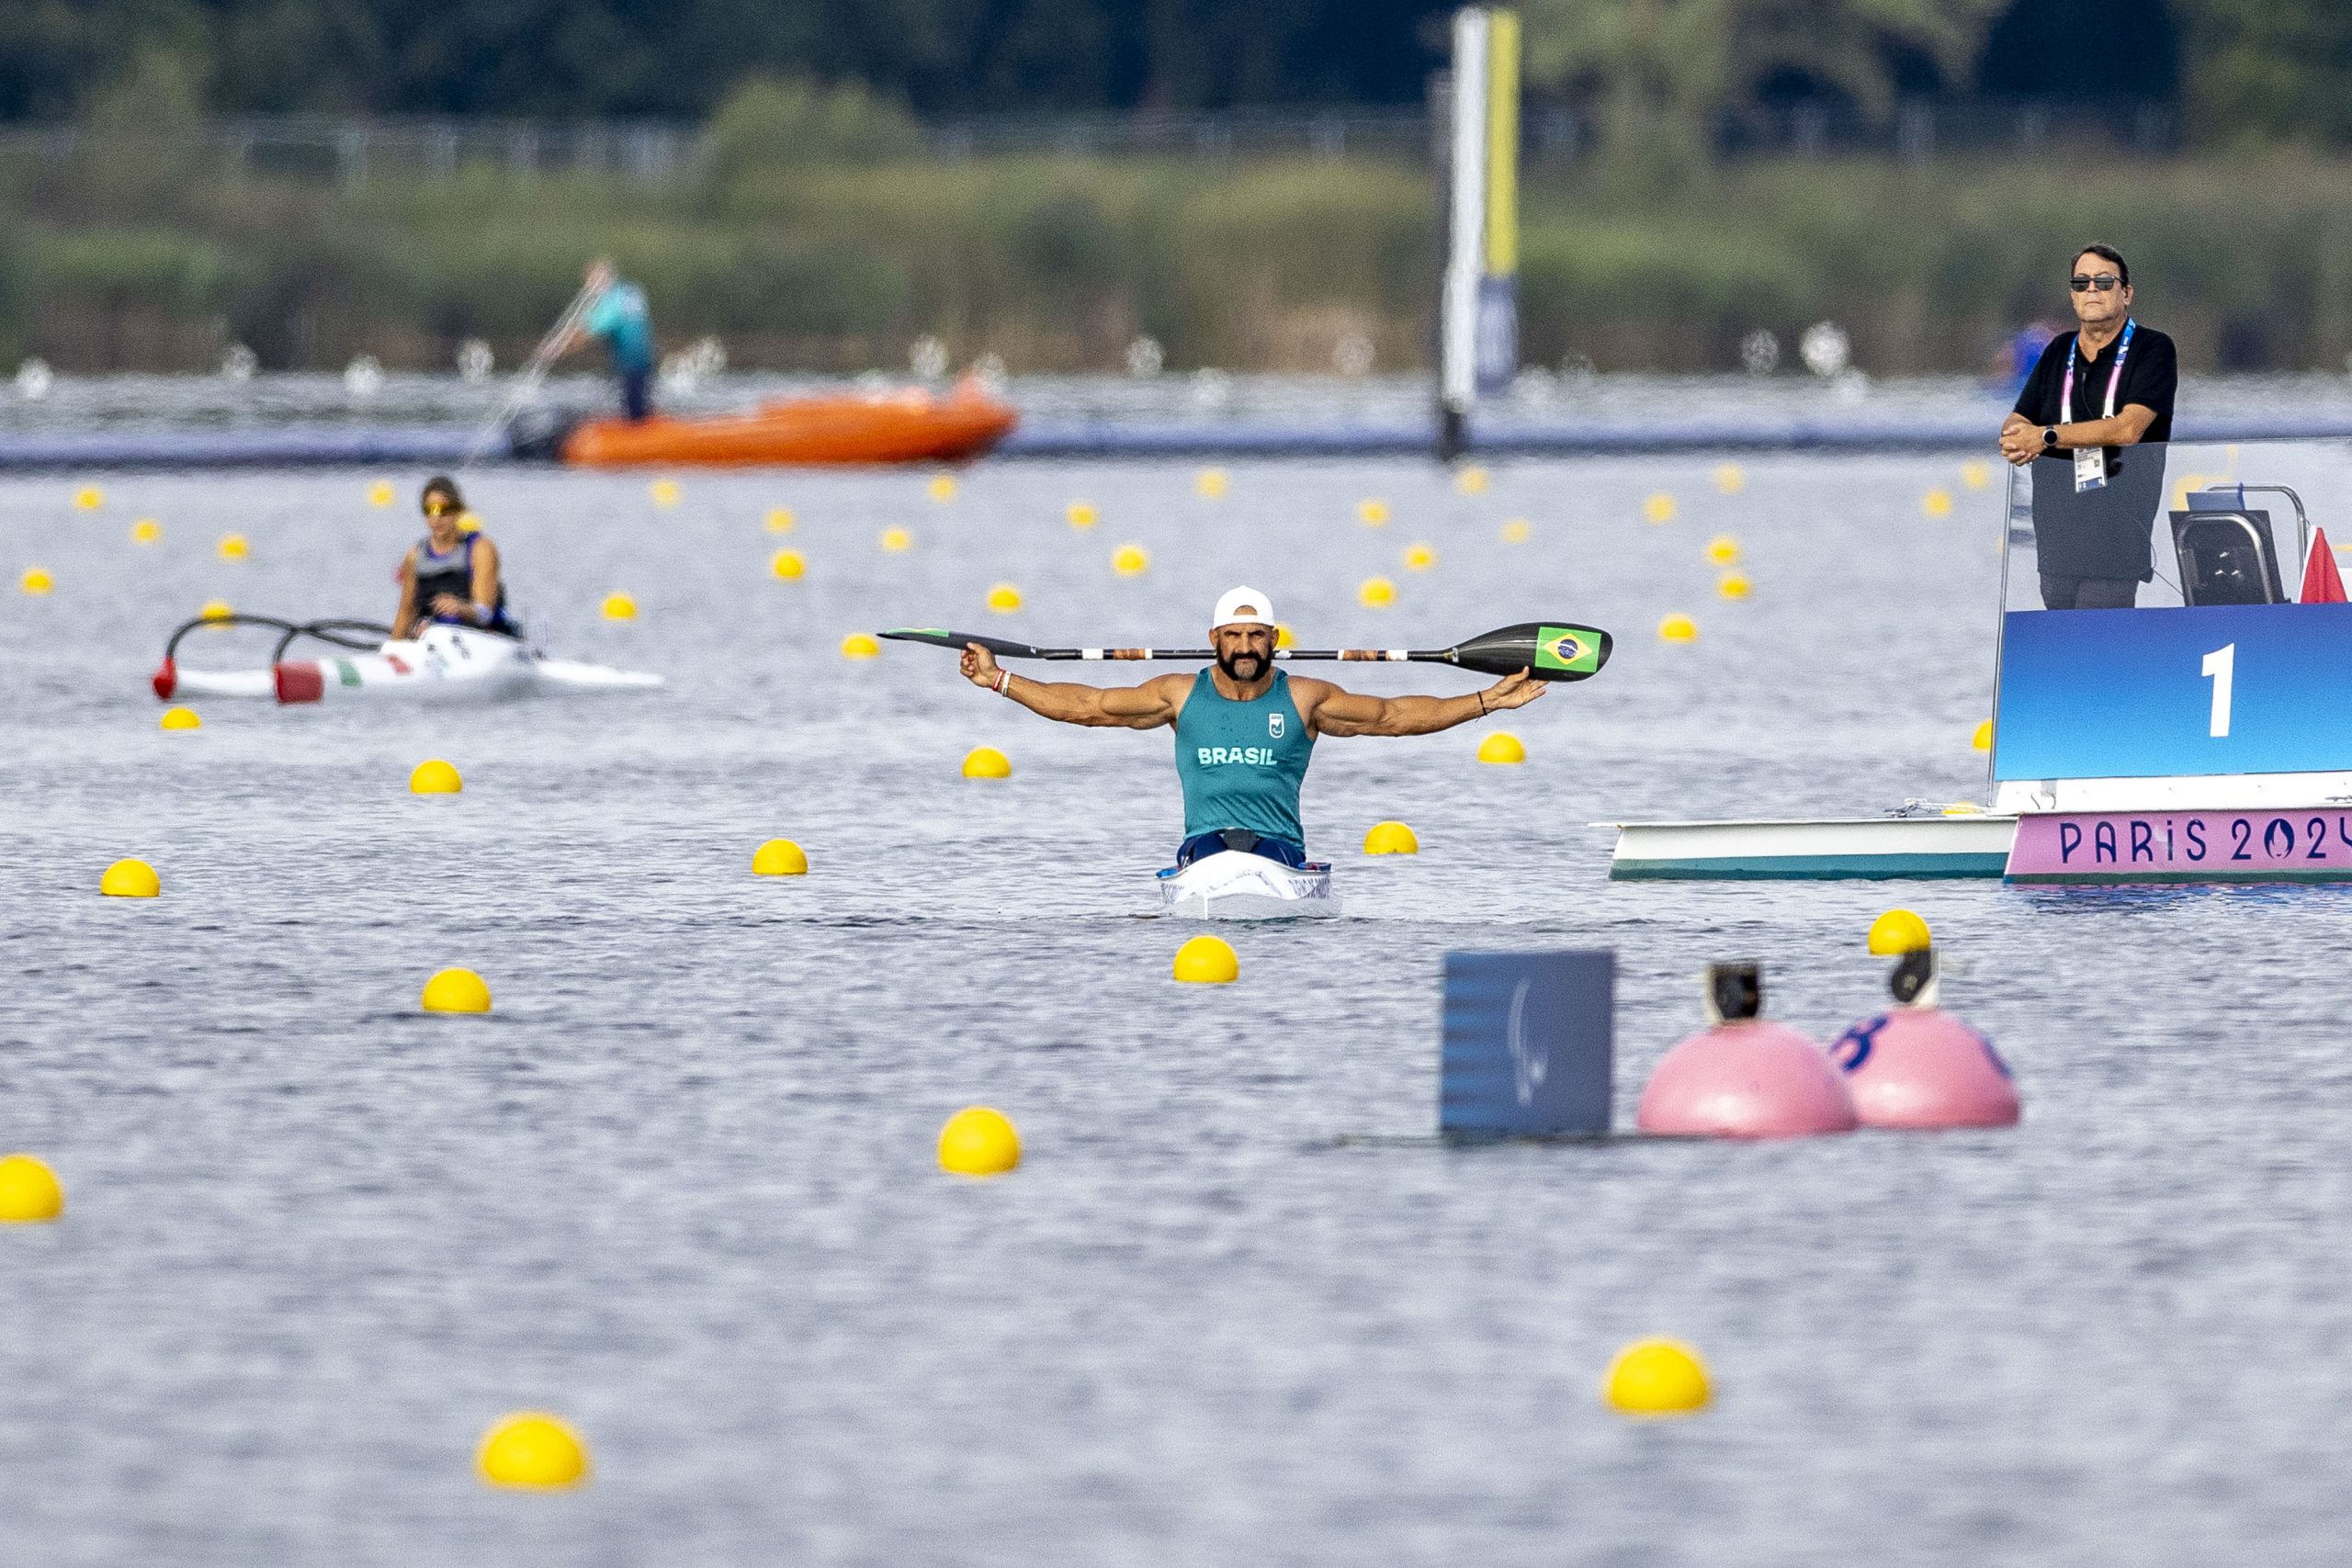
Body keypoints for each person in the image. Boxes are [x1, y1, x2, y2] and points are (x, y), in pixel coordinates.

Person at [954, 586, 1544, 867]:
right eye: (1232, 636)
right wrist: (1001, 680)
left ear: (1274, 641)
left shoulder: (1307, 699)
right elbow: (1086, 704)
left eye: (1255, 635)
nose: (1244, 647)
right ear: (1214, 641)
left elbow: (1392, 718)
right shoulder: (1178, 695)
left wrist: (1486, 700)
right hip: (1202, 852)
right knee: (1209, 850)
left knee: (1265, 853)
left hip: (1282, 854)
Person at [1998, 244, 2179, 609]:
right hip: (2057, 538)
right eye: (2081, 283)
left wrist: (2045, 436)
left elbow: (2128, 429)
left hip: (2115, 538)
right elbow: (2019, 419)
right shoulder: (2057, 350)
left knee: (2098, 650)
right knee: (2066, 657)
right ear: (2072, 295)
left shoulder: (2153, 349)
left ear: (2126, 293)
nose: (2091, 290)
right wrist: (2015, 438)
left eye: (2103, 281)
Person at [391, 476, 517, 639]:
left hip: (481, 639)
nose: (436, 519)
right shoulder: (415, 556)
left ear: (458, 511)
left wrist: (460, 608)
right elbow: (406, 613)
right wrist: (390, 652)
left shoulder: (481, 549)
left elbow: (485, 613)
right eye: (430, 511)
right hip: (432, 641)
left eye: (443, 510)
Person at [562, 259, 657, 422]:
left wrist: (560, 349)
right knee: (637, 398)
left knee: (633, 403)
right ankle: (642, 423)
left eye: (591, 280)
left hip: (629, 361)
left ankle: (638, 433)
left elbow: (590, 331)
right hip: (645, 357)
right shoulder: (629, 290)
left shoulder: (611, 300)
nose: (589, 286)